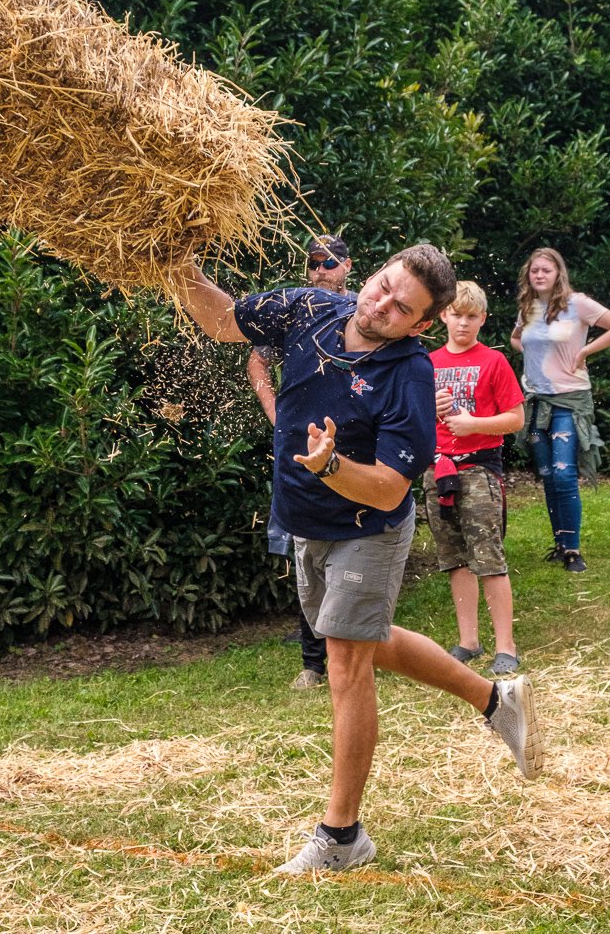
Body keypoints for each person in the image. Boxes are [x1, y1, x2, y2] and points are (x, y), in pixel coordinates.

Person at [173, 244, 544, 874]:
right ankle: (496, 700)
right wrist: (177, 270)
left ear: (420, 325)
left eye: (401, 308)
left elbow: (391, 488)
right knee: (361, 638)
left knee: (344, 660)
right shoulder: (310, 306)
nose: (381, 305)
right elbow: (222, 319)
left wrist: (331, 466)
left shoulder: (409, 373)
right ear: (373, 274)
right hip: (304, 519)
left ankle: (342, 837)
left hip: (366, 526)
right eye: (382, 287)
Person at [246, 234, 354, 690]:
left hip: (352, 443)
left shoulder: (364, 308)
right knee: (305, 547)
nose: (319, 271)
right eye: (312, 264)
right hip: (300, 447)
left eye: (328, 263)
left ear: (347, 266)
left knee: (353, 541)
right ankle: (313, 663)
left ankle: (352, 651)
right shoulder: (295, 308)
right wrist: (276, 413)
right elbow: (256, 361)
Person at [511, 248, 610, 573]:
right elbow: (516, 339)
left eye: (546, 270)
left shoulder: (577, 304)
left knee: (565, 473)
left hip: (570, 399)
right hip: (536, 399)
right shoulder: (528, 307)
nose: (539, 275)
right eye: (535, 270)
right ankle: (560, 544)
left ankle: (574, 550)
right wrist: (533, 360)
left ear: (558, 273)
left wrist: (585, 351)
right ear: (529, 274)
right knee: (549, 476)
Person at [424, 281, 525, 677]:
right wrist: (428, 408)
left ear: (482, 319)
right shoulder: (427, 362)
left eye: (471, 316)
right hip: (438, 469)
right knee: (455, 559)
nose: (462, 323)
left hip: (480, 468)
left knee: (489, 557)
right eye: (455, 315)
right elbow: (410, 420)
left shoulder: (494, 362)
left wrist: (473, 424)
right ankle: (468, 641)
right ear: (443, 316)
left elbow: (515, 419)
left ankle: (506, 646)